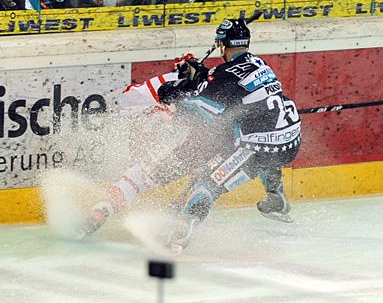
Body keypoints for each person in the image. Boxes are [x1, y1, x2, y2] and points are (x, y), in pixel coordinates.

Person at [76, 18, 301, 253]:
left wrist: (174, 91)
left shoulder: (217, 78)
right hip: (288, 135)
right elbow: (225, 91)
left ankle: (178, 236)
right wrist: (200, 78)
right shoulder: (258, 63)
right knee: (242, 157)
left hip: (248, 143)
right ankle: (276, 198)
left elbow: (199, 106)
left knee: (204, 184)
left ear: (223, 45)